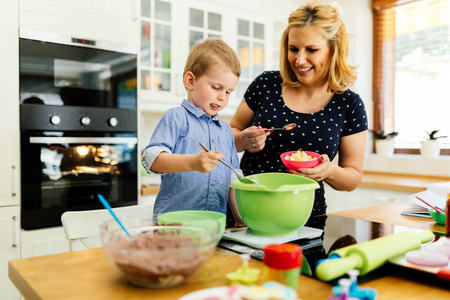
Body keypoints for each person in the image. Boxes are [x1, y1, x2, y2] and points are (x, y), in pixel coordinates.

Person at [229, 0, 368, 217]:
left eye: (311, 50)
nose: (299, 60)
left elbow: (352, 177)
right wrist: (242, 140)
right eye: (293, 49)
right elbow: (230, 133)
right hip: (246, 212)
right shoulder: (265, 84)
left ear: (333, 50)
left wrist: (329, 171)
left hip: (305, 217)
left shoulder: (350, 104)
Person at [142, 38, 244, 226]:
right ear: (190, 81)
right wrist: (193, 162)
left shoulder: (226, 131)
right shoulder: (176, 118)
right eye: (216, 87)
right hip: (173, 227)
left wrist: (240, 219)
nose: (222, 97)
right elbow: (151, 159)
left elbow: (233, 180)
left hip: (213, 227)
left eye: (228, 91)